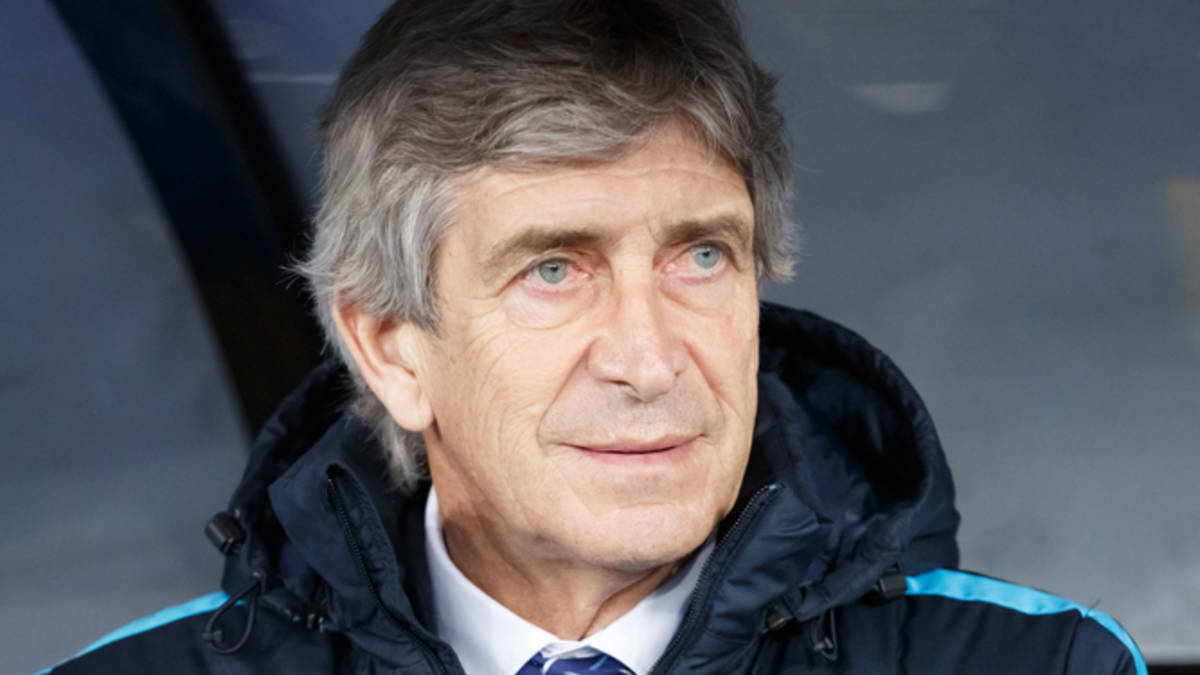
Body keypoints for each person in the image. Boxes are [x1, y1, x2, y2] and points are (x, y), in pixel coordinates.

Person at [45, 1, 1146, 674]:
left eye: (700, 256)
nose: (649, 359)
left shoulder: (1043, 666)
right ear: (390, 347)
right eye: (555, 270)